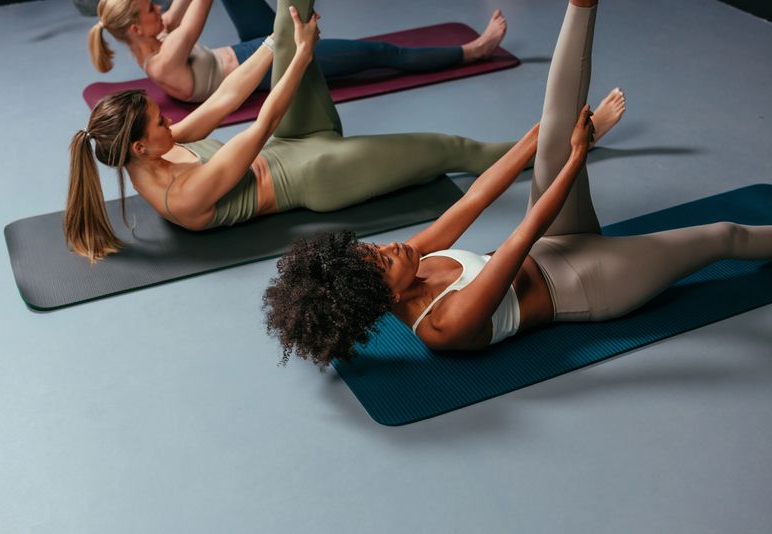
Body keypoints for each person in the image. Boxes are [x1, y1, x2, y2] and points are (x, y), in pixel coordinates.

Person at [262, 0, 772, 368]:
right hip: (589, 283)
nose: (390, 247)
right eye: (381, 259)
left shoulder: (407, 264)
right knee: (722, 236)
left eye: (370, 248)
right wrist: (576, 154)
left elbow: (480, 194)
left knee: (553, 127)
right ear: (378, 296)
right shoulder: (445, 325)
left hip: (552, 239)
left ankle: (582, 5)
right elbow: (522, 232)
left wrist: (540, 137)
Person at [68, 0, 629, 262]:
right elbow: (259, 125)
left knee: (289, 16)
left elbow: (225, 100)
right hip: (312, 175)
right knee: (451, 150)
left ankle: (286, 34)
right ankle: (576, 136)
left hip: (291, 139)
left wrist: (276, 47)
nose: (172, 121)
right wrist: (303, 57)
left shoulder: (155, 149)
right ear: (141, 146)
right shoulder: (181, 194)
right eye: (162, 121)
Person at [88, 0, 509, 102]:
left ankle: (298, 20)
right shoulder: (163, 59)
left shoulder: (152, 38)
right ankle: (474, 51)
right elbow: (196, 7)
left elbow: (178, 10)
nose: (159, 8)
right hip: (270, 62)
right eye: (150, 7)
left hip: (244, 50)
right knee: (380, 53)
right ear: (137, 27)